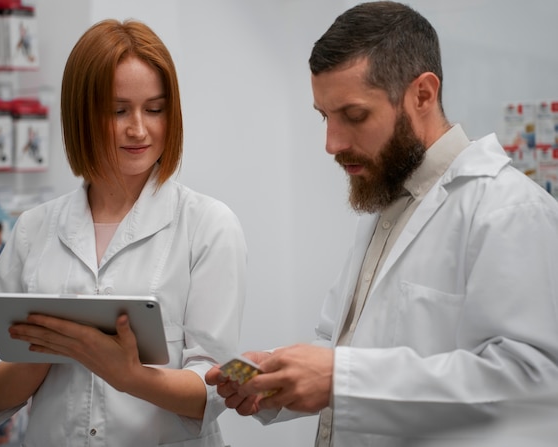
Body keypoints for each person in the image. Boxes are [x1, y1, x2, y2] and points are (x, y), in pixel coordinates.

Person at [205, 2, 558, 446]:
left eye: (354, 116)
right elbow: (345, 349)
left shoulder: (508, 210)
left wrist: (340, 377)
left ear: (423, 95)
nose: (332, 144)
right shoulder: (386, 208)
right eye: (324, 117)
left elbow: (535, 384)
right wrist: (280, 377)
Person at [0, 19, 247, 447]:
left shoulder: (208, 226)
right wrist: (47, 350)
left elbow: (214, 388)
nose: (138, 128)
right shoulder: (34, 230)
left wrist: (127, 375)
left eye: (154, 109)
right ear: (81, 114)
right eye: (118, 111)